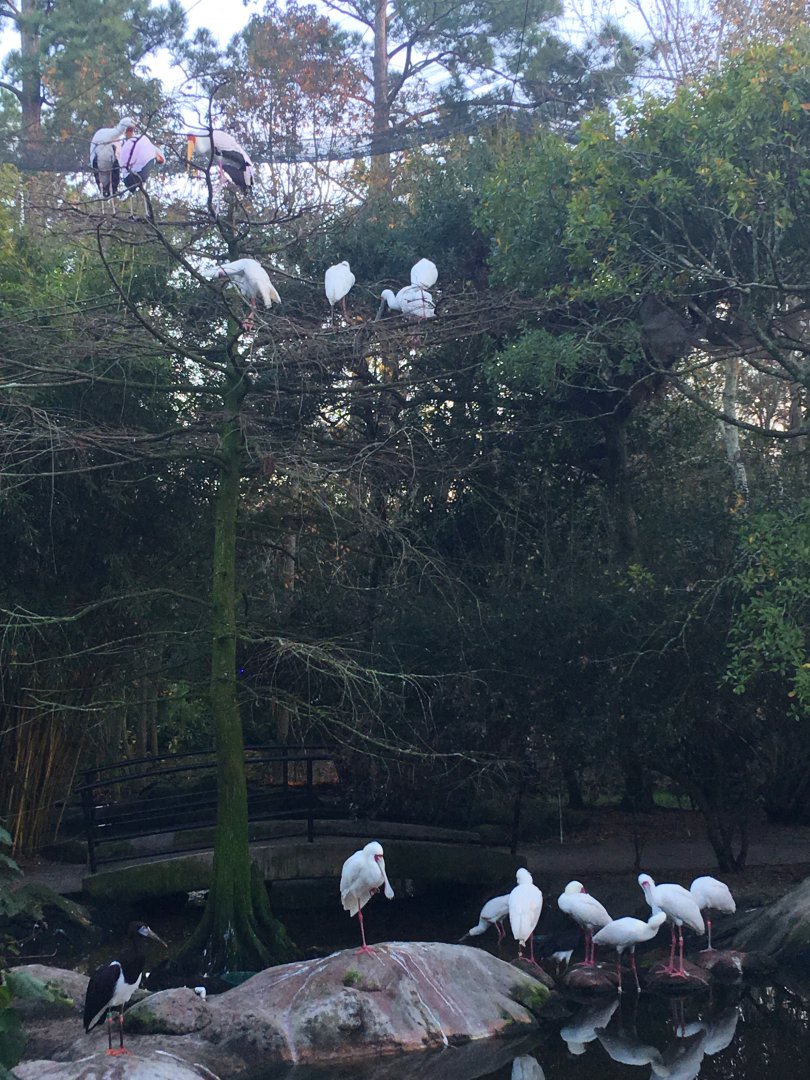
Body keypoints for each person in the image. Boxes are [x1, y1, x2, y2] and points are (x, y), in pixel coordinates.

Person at [120, 126, 165, 194]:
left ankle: (140, 186)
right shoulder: (150, 148)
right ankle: (142, 183)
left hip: (127, 179)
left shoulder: (128, 144)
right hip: (134, 176)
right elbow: (160, 158)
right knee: (151, 158)